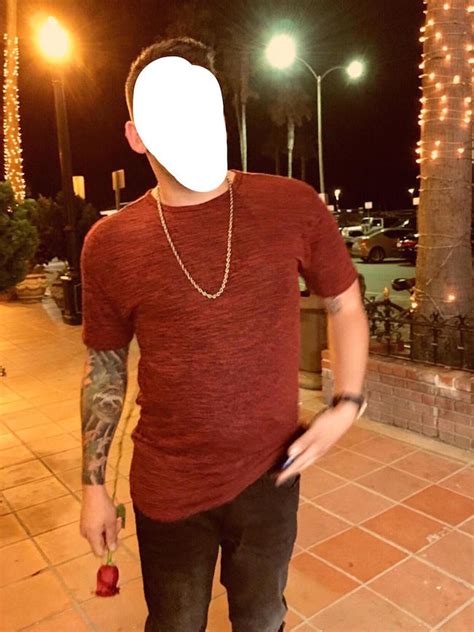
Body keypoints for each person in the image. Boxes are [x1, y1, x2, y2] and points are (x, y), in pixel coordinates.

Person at [79, 36, 369, 632]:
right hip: (167, 486)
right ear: (136, 134)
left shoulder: (290, 205)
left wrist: (347, 403)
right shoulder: (109, 244)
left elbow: (344, 302)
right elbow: (105, 368)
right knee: (175, 622)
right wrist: (92, 488)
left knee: (262, 619)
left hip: (270, 474)